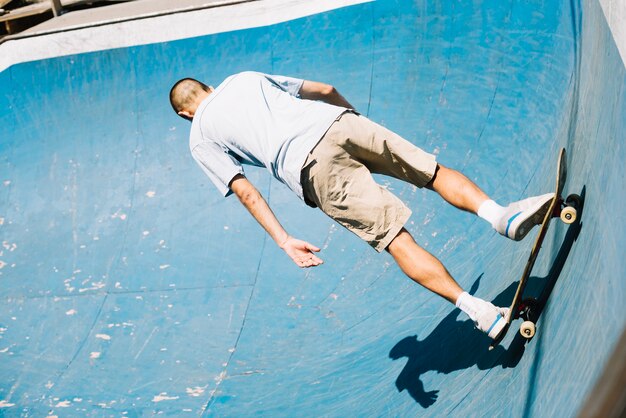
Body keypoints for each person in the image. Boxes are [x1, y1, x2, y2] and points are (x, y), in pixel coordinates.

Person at [169, 71, 554, 340]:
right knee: (434, 173)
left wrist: (285, 240)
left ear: (186, 114)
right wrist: (356, 120)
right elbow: (324, 88)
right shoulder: (244, 78)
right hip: (338, 122)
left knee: (397, 241)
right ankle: (501, 215)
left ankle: (479, 311)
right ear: (209, 86)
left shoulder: (199, 136)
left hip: (310, 167)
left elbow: (245, 191)